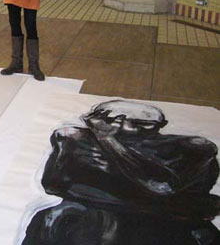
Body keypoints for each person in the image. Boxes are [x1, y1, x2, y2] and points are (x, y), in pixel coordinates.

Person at [22, 100, 220, 244]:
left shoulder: (191, 148)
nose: (120, 125)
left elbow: (162, 187)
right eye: (111, 120)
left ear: (158, 126)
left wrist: (108, 140)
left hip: (162, 223)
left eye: (138, 123)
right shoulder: (73, 139)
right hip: (95, 219)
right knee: (59, 217)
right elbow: (53, 184)